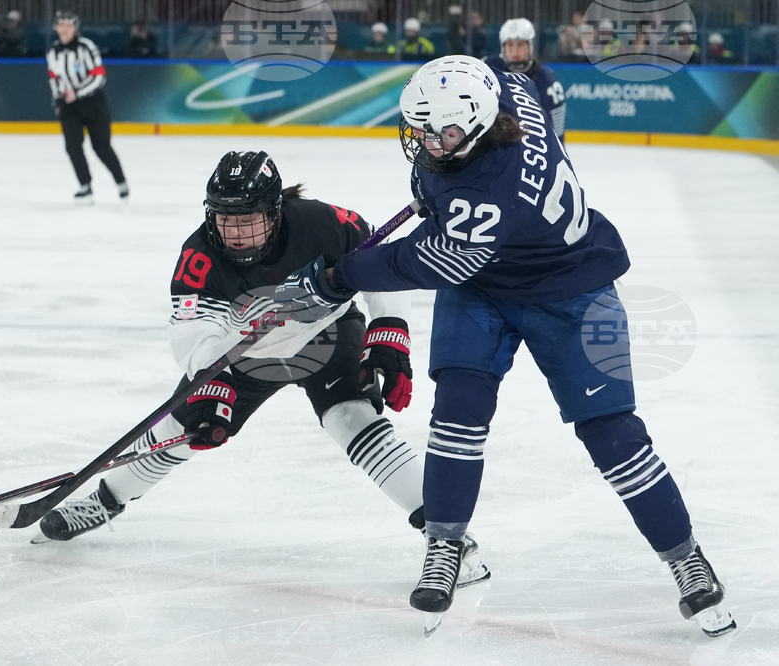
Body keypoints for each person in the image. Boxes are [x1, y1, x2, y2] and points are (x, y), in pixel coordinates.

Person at [275, 56, 737, 638]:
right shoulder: (508, 90)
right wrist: (433, 195)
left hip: (570, 290)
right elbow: (494, 82)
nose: (424, 142)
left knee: (613, 434)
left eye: (440, 133)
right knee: (458, 413)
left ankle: (685, 556)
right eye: (417, 128)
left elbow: (418, 260)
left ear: (476, 125)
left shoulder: (489, 194)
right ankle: (445, 543)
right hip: (488, 280)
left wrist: (338, 277)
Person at [33, 150, 491, 589]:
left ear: (275, 213)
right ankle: (105, 500)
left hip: (326, 336)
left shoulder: (323, 222)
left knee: (354, 420)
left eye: (248, 221)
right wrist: (213, 381)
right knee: (182, 427)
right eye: (225, 220)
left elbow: (384, 263)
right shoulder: (199, 257)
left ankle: (447, 539)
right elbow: (193, 330)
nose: (235, 234)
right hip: (243, 356)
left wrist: (389, 327)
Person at [47, 11, 129, 205]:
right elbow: (54, 78)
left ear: (75, 28)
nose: (65, 29)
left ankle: (121, 182)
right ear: (57, 28)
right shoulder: (53, 51)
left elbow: (99, 75)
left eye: (69, 25)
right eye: (61, 25)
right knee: (73, 147)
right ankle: (85, 186)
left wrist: (77, 92)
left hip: (93, 103)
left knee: (101, 147)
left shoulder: (86, 47)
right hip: (68, 105)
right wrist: (61, 95)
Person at [484, 18, 565, 143]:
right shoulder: (487, 69)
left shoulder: (548, 82)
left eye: (520, 44)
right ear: (503, 46)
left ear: (530, 46)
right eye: (510, 44)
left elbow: (556, 133)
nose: (515, 51)